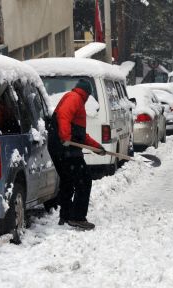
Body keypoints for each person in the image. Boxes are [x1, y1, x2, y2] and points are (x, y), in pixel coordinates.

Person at [47, 79, 106, 230]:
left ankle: (65, 216)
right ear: (87, 93)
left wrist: (96, 147)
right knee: (84, 180)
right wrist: (65, 137)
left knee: (68, 181)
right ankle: (77, 217)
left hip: (62, 148)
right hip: (66, 149)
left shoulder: (75, 99)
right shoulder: (74, 98)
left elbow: (81, 136)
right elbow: (63, 116)